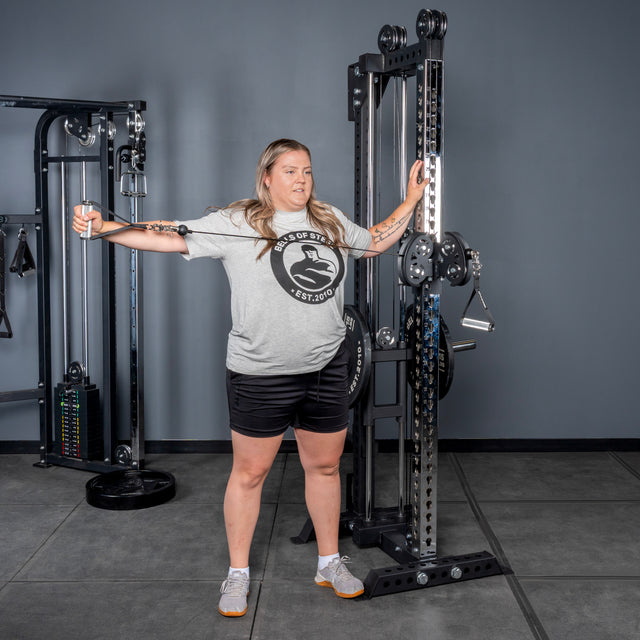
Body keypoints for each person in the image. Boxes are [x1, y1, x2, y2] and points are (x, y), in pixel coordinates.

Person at [73, 138, 427, 617]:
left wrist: (410, 201)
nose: (301, 179)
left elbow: (377, 240)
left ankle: (328, 562)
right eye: (289, 171)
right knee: (250, 474)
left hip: (326, 368)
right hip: (260, 373)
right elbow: (165, 234)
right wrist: (103, 228)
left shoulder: (330, 221)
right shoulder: (238, 222)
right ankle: (237, 573)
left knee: (324, 468)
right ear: (267, 177)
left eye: (306, 170)